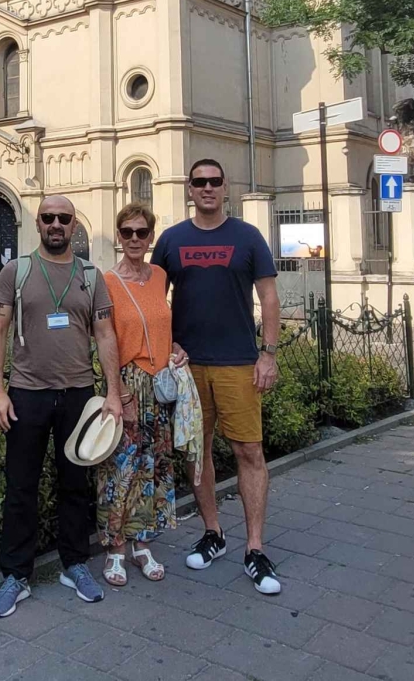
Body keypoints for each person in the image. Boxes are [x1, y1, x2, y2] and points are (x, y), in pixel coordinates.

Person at [0, 195, 125, 618]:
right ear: (38, 223)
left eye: (64, 218)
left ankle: (75, 564)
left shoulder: (90, 275)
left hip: (79, 394)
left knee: (75, 484)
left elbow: (105, 334)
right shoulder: (16, 271)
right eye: (48, 217)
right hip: (26, 393)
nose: (56, 224)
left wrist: (114, 392)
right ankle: (16, 576)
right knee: (20, 487)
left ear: (74, 224)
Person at [152, 157, 284, 596]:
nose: (207, 188)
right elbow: (155, 301)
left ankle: (255, 548)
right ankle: (213, 533)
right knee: (197, 452)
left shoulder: (248, 237)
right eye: (199, 182)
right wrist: (166, 346)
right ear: (189, 189)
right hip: (187, 368)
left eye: (214, 181)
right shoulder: (171, 240)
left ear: (226, 187)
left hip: (238, 363)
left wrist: (268, 355)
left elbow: (269, 298)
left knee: (249, 451)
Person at [97, 202, 188, 586]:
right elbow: (104, 340)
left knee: (154, 465)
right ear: (119, 236)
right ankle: (115, 549)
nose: (134, 239)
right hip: (128, 383)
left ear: (151, 237)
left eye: (142, 232)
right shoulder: (106, 281)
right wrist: (117, 393)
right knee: (122, 468)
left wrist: (175, 348)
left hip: (160, 384)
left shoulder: (159, 276)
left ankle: (143, 544)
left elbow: (160, 324)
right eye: (127, 232)